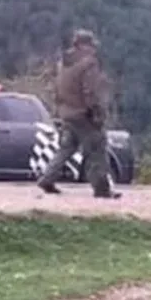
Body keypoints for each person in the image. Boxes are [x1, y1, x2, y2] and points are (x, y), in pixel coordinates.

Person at [36, 29, 119, 199]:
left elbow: (57, 89)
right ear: (83, 46)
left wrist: (59, 110)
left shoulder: (63, 64)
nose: (94, 49)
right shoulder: (89, 64)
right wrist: (97, 113)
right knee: (97, 149)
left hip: (67, 113)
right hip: (84, 114)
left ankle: (47, 178)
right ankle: (102, 189)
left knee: (67, 148)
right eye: (91, 46)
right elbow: (90, 91)